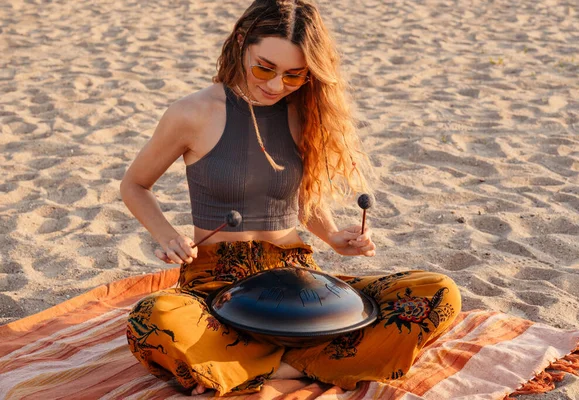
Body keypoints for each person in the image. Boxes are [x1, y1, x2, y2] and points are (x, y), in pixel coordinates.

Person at [121, 0, 461, 396]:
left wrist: (334, 238)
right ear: (241, 43)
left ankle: (260, 365)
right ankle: (316, 364)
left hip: (297, 275)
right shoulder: (192, 113)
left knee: (438, 291)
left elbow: (299, 201)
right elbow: (134, 185)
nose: (276, 85)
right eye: (265, 68)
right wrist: (166, 235)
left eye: (294, 75)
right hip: (215, 281)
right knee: (154, 318)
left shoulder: (304, 112)